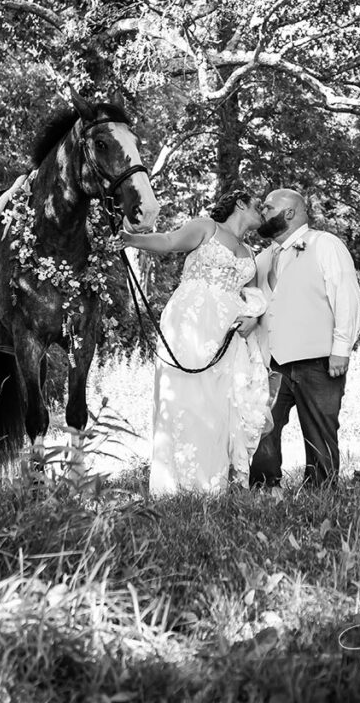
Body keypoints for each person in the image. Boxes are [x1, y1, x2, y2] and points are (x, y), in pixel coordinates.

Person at [121, 189, 272, 496]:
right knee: (187, 400)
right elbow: (167, 242)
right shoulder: (207, 227)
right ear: (240, 202)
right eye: (260, 206)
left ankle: (213, 485)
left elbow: (256, 294)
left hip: (228, 333)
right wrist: (129, 239)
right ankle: (178, 485)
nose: (264, 212)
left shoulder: (250, 253)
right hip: (191, 321)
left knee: (220, 404)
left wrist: (254, 317)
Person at [249, 188, 360, 490]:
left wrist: (341, 349)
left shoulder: (325, 244)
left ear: (289, 212)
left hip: (319, 361)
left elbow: (347, 298)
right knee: (263, 429)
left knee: (320, 433)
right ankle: (265, 489)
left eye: (268, 207)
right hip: (272, 363)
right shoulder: (261, 258)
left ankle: (321, 492)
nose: (262, 212)